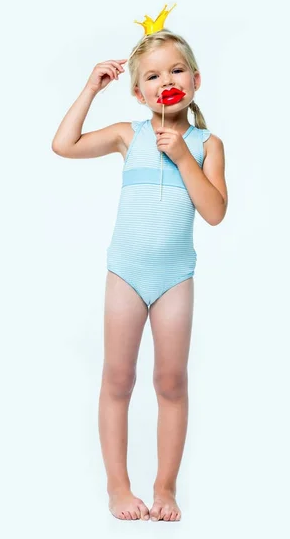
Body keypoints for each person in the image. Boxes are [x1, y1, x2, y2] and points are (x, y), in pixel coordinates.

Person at [52, 28, 228, 522]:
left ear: (194, 80)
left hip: (175, 277)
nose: (165, 80)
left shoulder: (207, 144)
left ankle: (165, 487)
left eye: (175, 71)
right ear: (138, 92)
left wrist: (180, 156)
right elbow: (63, 146)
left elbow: (214, 213)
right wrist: (90, 89)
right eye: (152, 75)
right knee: (118, 378)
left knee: (171, 382)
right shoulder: (127, 135)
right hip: (125, 273)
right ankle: (118, 487)